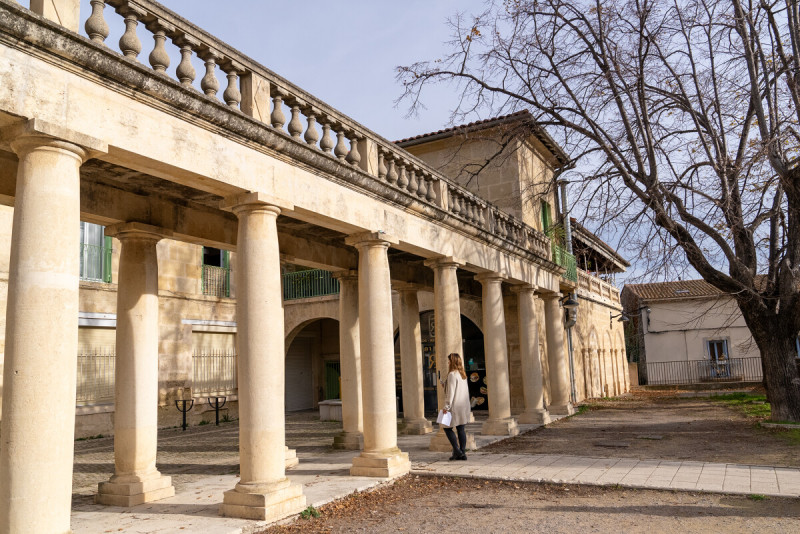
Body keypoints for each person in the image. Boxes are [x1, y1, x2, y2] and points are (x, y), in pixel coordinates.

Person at [441, 352, 471, 460]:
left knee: (446, 427)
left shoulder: (452, 375)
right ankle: (461, 453)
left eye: (449, 361)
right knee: (461, 429)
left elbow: (451, 393)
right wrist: (445, 385)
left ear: (452, 362)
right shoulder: (463, 374)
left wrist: (446, 407)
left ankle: (458, 451)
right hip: (463, 406)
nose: (448, 363)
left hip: (453, 406)